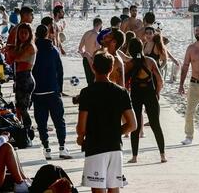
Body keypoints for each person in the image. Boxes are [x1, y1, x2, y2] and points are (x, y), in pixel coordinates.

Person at [76, 51, 137, 193]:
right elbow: (132, 124)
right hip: (115, 147)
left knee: (98, 189)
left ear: (93, 67)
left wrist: (80, 137)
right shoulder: (121, 92)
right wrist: (115, 133)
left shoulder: (87, 92)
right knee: (114, 188)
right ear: (111, 69)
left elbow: (81, 126)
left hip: (95, 146)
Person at [32, 25, 72, 160]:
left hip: (37, 92)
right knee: (59, 121)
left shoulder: (33, 50)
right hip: (53, 90)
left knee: (42, 123)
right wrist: (59, 89)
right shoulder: (54, 50)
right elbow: (60, 71)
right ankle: (62, 147)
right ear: (48, 34)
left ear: (36, 35)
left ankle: (47, 148)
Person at [125, 38, 166, 164]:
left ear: (130, 50)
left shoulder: (130, 63)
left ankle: (134, 157)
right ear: (142, 48)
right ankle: (162, 155)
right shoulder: (150, 61)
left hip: (136, 94)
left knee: (135, 126)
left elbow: (125, 83)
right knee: (155, 125)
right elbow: (160, 80)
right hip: (150, 94)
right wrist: (157, 92)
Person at [7, 23, 37, 134]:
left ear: (29, 34)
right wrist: (11, 50)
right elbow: (10, 60)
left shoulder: (30, 46)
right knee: (18, 106)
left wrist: (10, 50)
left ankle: (28, 128)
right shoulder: (21, 46)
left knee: (23, 107)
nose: (23, 35)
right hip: (19, 78)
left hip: (26, 78)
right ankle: (21, 128)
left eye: (25, 33)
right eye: (21, 33)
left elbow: (18, 58)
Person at [78, 18, 102, 86]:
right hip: (94, 60)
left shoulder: (86, 33)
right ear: (100, 25)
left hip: (86, 59)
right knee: (95, 81)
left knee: (89, 82)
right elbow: (98, 49)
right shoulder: (97, 35)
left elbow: (80, 48)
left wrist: (84, 55)